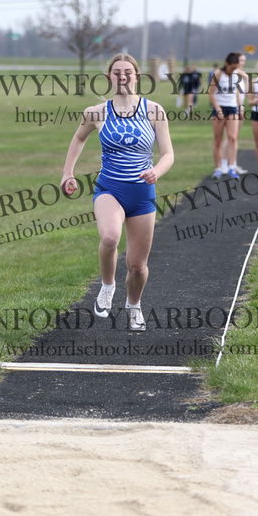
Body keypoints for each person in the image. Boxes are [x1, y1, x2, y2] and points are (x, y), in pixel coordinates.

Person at [61, 53, 174, 331]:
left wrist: (157, 171)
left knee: (137, 266)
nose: (122, 76)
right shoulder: (97, 112)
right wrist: (68, 173)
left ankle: (134, 306)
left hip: (142, 194)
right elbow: (78, 138)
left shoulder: (154, 111)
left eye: (128, 72)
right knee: (110, 237)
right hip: (110, 188)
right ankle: (107, 286)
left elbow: (168, 153)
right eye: (116, 72)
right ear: (109, 77)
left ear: (137, 76)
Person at [209, 52, 242, 179]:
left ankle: (231, 167)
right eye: (232, 67)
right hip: (219, 108)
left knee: (232, 137)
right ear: (226, 64)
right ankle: (217, 168)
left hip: (232, 108)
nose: (234, 69)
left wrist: (240, 107)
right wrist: (218, 109)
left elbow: (236, 92)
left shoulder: (236, 74)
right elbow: (211, 94)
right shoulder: (218, 74)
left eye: (236, 67)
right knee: (218, 139)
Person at [221, 51, 249, 175]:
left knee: (234, 137)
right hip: (231, 107)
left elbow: (246, 93)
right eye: (240, 61)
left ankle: (233, 164)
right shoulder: (231, 73)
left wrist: (247, 78)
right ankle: (224, 164)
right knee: (230, 136)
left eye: (243, 61)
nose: (242, 63)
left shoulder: (240, 74)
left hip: (239, 106)